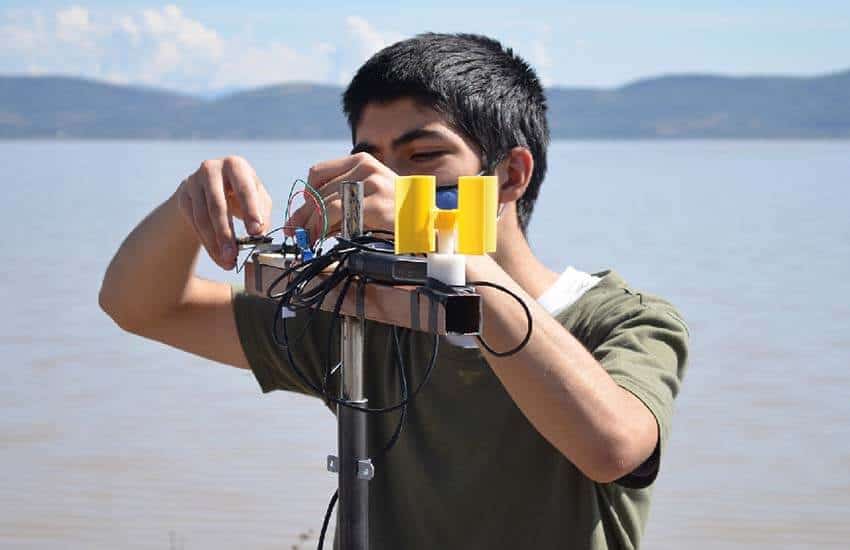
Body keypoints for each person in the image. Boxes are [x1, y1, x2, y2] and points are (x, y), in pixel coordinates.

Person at [99, 33, 689, 549]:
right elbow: (141, 306)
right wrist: (189, 211)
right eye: (368, 163)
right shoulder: (366, 309)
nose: (384, 184)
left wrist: (443, 245)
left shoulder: (620, 319)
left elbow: (613, 448)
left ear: (510, 175)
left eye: (423, 157)